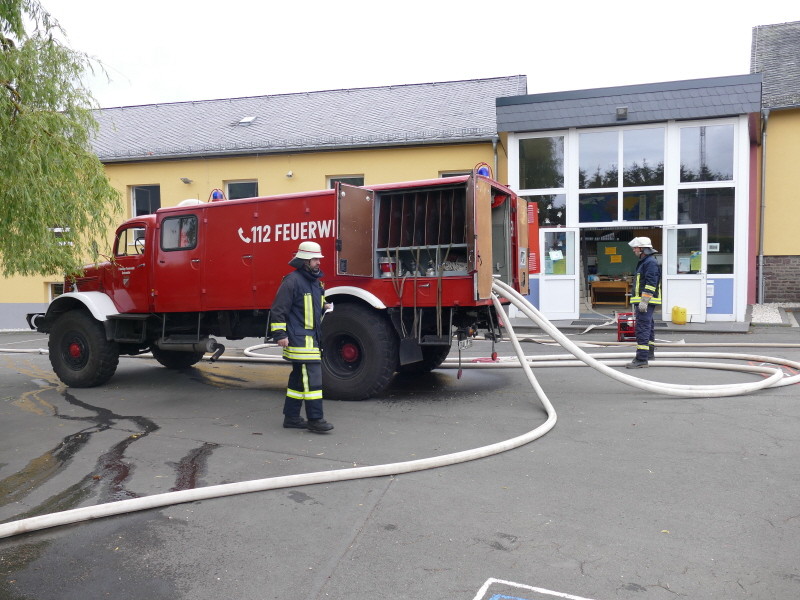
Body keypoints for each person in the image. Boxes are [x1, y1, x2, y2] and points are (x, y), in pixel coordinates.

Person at [269, 241, 334, 432]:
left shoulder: (315, 283)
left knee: (298, 378)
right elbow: (278, 310)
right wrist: (280, 334)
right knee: (313, 379)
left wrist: (324, 306)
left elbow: (314, 304)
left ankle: (291, 418)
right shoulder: (292, 281)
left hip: (311, 338)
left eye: (318, 259)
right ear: (304, 261)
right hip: (300, 340)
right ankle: (315, 419)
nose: (318, 262)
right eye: (314, 259)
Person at [626, 236, 661, 369]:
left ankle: (641, 359)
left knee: (642, 328)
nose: (634, 250)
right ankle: (648, 354)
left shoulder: (649, 262)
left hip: (646, 301)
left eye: (636, 247)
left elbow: (651, 283)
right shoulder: (646, 261)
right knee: (648, 326)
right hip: (646, 301)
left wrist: (644, 301)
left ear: (643, 249)